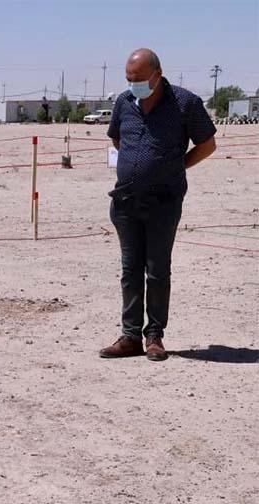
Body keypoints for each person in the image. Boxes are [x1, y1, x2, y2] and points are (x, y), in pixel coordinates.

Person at [99, 48, 216, 361]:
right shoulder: (124, 102)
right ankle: (129, 337)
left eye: (138, 79)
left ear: (157, 75)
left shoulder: (185, 103)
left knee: (157, 270)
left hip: (164, 201)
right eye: (128, 78)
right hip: (125, 201)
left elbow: (207, 144)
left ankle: (154, 336)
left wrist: (176, 166)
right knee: (130, 270)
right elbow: (118, 140)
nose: (133, 84)